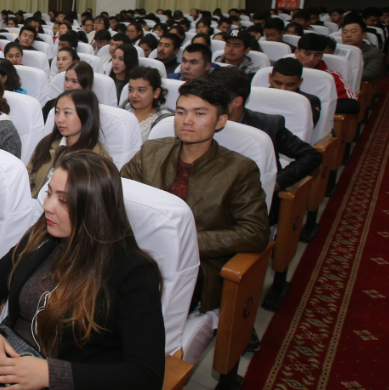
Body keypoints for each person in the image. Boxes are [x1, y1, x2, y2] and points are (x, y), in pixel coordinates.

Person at [0, 151, 165, 390]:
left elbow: (145, 375)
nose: (47, 207)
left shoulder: (134, 273)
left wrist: (50, 374)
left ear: (93, 209)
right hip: (9, 366)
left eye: (63, 201)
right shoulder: (42, 236)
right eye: (49, 193)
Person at [120, 79, 269, 313]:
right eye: (181, 112)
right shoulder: (151, 151)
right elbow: (118, 195)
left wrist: (185, 242)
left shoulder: (240, 169)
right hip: (137, 249)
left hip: (197, 264)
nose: (187, 121)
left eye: (199, 113)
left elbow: (255, 232)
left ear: (221, 121)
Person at [210, 67, 323, 225]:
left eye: (214, 98)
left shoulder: (268, 126)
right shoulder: (199, 123)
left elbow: (311, 156)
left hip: (249, 208)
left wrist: (273, 183)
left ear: (237, 101)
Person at [27, 90, 110, 198]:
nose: (59, 119)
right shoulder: (48, 143)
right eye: (57, 112)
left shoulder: (98, 160)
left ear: (86, 115)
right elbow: (28, 174)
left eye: (67, 113)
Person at [295, 34, 359, 115]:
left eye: (317, 55)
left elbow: (353, 105)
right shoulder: (284, 70)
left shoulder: (332, 76)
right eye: (307, 54)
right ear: (297, 52)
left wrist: (317, 107)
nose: (311, 59)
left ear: (322, 55)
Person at [123, 66, 174, 140]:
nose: (134, 95)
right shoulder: (123, 110)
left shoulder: (164, 121)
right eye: (131, 89)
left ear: (156, 93)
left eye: (141, 90)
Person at [268, 57, 322, 128]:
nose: (283, 89)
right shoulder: (257, 96)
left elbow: (303, 128)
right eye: (278, 83)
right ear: (270, 78)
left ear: (300, 82)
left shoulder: (310, 102)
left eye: (290, 85)